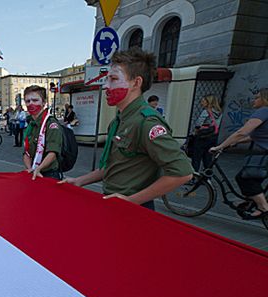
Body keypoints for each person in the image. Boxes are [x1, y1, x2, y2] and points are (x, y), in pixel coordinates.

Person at [60, 48, 193, 210]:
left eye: (113, 79)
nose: (106, 86)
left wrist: (132, 201)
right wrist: (80, 181)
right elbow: (113, 166)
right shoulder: (118, 121)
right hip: (114, 202)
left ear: (136, 83)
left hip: (133, 208)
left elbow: (182, 172)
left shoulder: (147, 122)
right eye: (107, 79)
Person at [210, 88, 268, 219]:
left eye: (257, 97)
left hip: (261, 155)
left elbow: (242, 132)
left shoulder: (263, 111)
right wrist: (235, 143)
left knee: (244, 178)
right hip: (263, 154)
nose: (254, 100)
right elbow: (256, 136)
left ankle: (263, 208)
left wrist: (220, 146)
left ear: (264, 99)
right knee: (253, 179)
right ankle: (251, 201)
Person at [21, 86, 63, 180]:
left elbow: (53, 152)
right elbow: (26, 152)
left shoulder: (51, 124)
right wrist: (30, 169)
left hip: (49, 174)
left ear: (44, 103)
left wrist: (39, 169)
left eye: (35, 100)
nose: (31, 103)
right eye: (28, 101)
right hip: (33, 172)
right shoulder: (30, 125)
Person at [190, 95, 222, 172]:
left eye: (203, 101)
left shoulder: (206, 111)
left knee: (196, 157)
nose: (201, 103)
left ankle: (194, 176)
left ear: (208, 102)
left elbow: (198, 124)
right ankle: (207, 176)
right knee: (208, 157)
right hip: (213, 137)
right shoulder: (219, 112)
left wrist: (195, 131)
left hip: (202, 137)